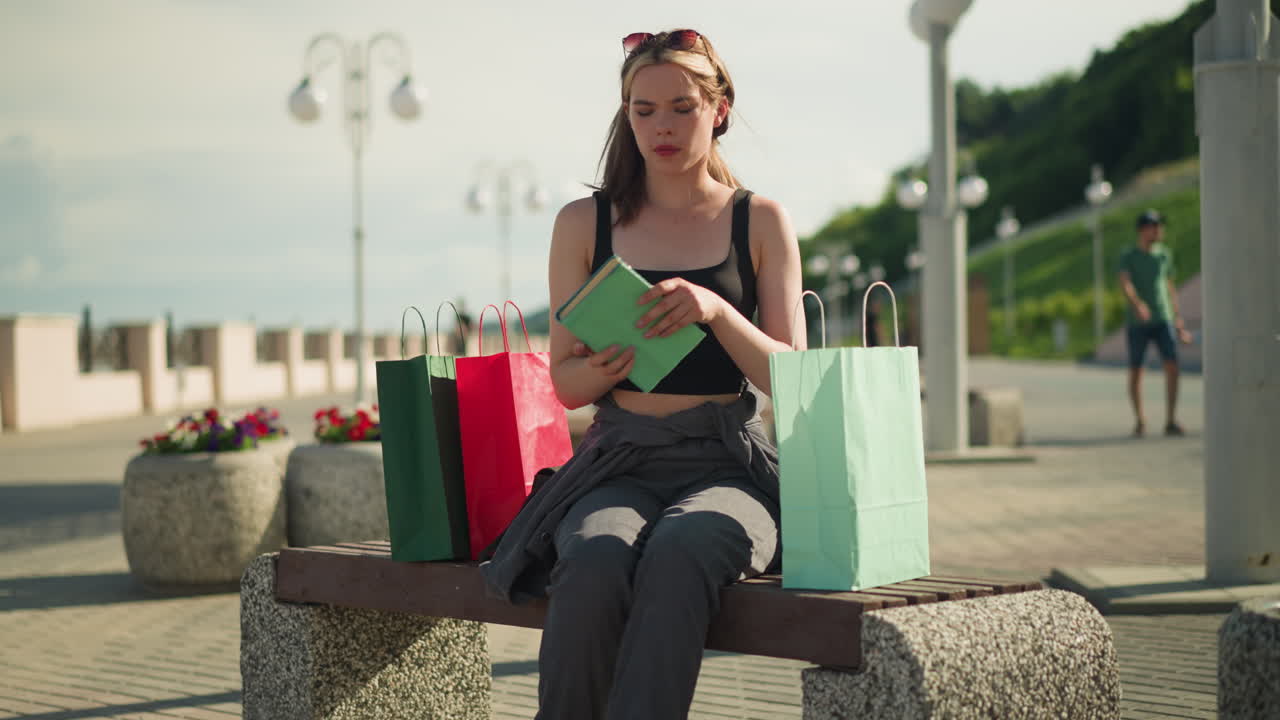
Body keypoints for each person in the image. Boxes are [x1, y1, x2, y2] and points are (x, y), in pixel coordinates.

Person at [479, 28, 803, 720]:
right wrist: (602, 367)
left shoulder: (760, 221)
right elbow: (564, 386)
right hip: (616, 460)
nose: (662, 125)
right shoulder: (584, 223)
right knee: (596, 553)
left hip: (728, 465)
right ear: (624, 114)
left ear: (719, 109)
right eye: (643, 109)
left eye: (682, 107)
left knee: (685, 546)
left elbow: (792, 377)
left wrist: (716, 310)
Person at [1117, 209, 1192, 437]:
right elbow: (1125, 283)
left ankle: (1170, 419)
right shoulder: (1128, 255)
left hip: (1163, 318)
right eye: (1154, 226)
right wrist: (1137, 304)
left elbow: (1170, 288)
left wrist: (1178, 320)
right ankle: (1140, 419)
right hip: (1138, 322)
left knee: (1172, 367)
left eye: (1160, 225)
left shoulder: (1164, 255)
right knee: (1137, 370)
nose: (1159, 230)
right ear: (1142, 230)